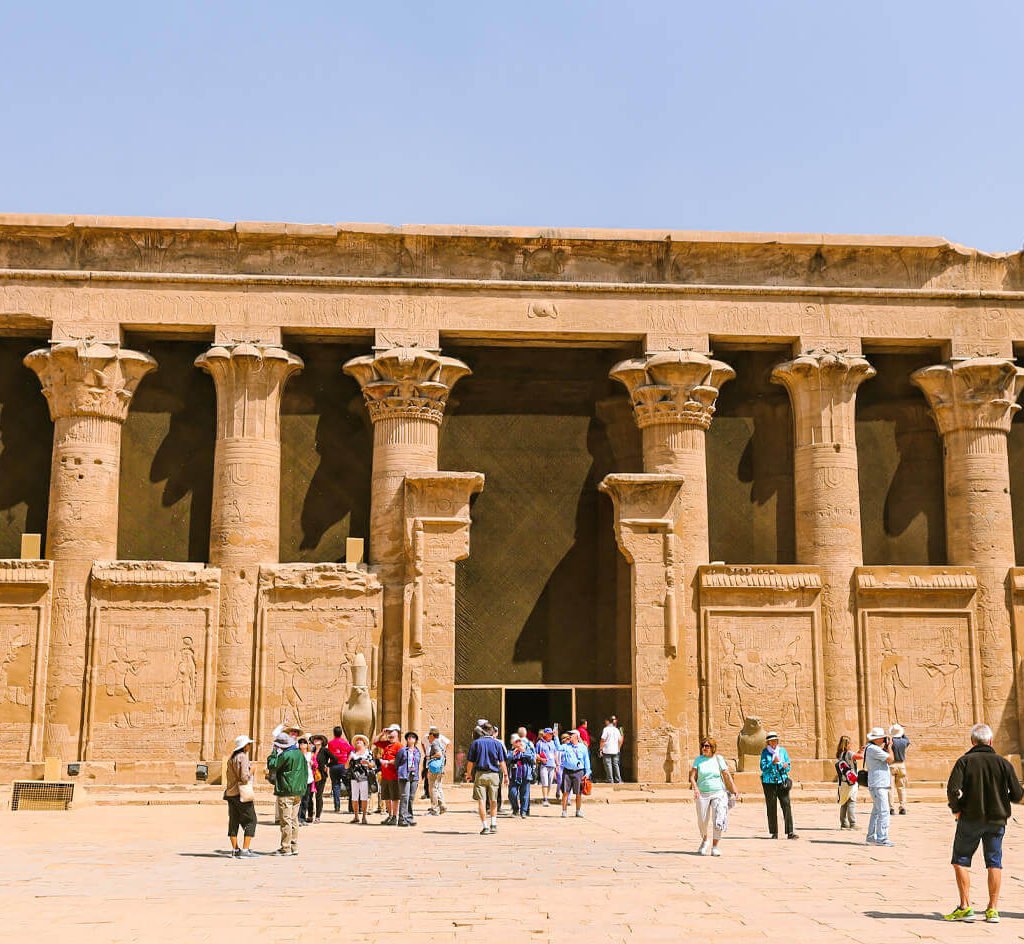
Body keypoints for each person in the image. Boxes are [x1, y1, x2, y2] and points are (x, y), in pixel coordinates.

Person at [943, 723, 1024, 923]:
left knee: (960, 860)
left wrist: (957, 809)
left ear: (973, 741)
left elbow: (953, 789)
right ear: (990, 741)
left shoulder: (965, 761)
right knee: (994, 862)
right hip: (997, 820)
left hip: (970, 818)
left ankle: (965, 906)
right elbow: (1017, 794)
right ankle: (993, 909)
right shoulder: (1004, 763)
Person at [688, 736, 738, 856]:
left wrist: (733, 788)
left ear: (712, 747)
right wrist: (695, 788)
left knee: (719, 818)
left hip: (718, 792)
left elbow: (726, 775)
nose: (704, 748)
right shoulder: (698, 760)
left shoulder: (719, 759)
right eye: (703, 746)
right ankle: (705, 840)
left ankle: (715, 846)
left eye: (707, 746)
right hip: (702, 793)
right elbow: (692, 777)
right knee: (702, 820)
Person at [266, 726, 307, 855]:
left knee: (286, 820)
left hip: (286, 790)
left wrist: (273, 753)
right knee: (294, 819)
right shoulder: (299, 753)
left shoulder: (286, 754)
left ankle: (285, 847)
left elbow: (272, 765)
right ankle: (294, 845)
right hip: (298, 790)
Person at [465, 721, 508, 835]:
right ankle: (493, 824)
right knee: (493, 800)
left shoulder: (476, 743)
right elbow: (502, 761)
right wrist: (506, 775)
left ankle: (485, 827)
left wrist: (468, 774)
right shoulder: (497, 743)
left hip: (480, 774)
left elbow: (470, 762)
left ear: (482, 731)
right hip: (494, 774)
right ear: (492, 731)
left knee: (481, 801)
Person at [224, 734, 257, 858]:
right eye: (249, 744)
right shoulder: (242, 757)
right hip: (240, 794)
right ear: (245, 746)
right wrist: (252, 771)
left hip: (230, 793)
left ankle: (235, 849)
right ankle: (245, 849)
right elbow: (244, 778)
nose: (250, 746)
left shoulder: (231, 758)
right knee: (251, 820)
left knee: (234, 821)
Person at [760, 731, 797, 840]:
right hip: (769, 783)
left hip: (782, 781)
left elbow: (788, 766)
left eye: (775, 741)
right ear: (768, 742)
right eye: (771, 741)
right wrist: (772, 763)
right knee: (771, 807)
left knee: (786, 805)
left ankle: (790, 831)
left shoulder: (782, 751)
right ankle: (774, 832)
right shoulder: (765, 752)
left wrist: (785, 766)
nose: (774, 743)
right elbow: (763, 768)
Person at [862, 726, 895, 846]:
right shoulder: (874, 750)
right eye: (881, 738)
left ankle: (871, 836)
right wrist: (890, 747)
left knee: (876, 811)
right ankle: (882, 838)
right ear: (876, 739)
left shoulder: (872, 748)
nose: (883, 740)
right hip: (878, 784)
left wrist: (885, 748)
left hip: (877, 783)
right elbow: (890, 759)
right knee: (884, 811)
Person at [558, 728, 592, 818]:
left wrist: (588, 772)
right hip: (567, 771)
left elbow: (586, 761)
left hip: (579, 772)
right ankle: (564, 811)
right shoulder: (566, 746)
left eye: (571, 734)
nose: (569, 735)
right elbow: (558, 747)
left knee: (578, 793)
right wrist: (555, 736)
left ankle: (578, 811)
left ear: (576, 736)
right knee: (565, 792)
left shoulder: (583, 748)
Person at [374, 724, 402, 825]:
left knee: (394, 797)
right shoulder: (386, 744)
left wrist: (388, 762)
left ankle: (395, 816)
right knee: (386, 796)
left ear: (397, 733)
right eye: (389, 733)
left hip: (394, 776)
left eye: (392, 732)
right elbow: (375, 741)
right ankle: (389, 815)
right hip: (385, 775)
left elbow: (400, 760)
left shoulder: (399, 746)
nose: (390, 735)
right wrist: (382, 733)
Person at [395, 731, 422, 827]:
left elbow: (418, 764)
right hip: (404, 775)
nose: (411, 739)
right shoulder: (402, 751)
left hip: (414, 776)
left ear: (415, 740)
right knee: (404, 797)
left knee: (411, 797)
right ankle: (402, 818)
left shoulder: (417, 752)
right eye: (409, 737)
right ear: (406, 739)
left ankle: (409, 817)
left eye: (413, 737)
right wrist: (400, 771)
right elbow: (397, 763)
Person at [346, 734, 375, 825]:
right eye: (357, 740)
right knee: (354, 797)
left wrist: (367, 763)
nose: (358, 741)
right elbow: (346, 766)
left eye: (360, 740)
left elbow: (373, 765)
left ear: (364, 743)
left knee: (364, 797)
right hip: (354, 777)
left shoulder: (368, 753)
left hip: (364, 777)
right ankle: (356, 816)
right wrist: (348, 759)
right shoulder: (352, 753)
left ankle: (364, 816)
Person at [507, 733, 536, 818]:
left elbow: (532, 758)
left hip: (525, 775)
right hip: (514, 775)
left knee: (525, 795)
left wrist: (524, 751)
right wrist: (513, 754)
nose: (519, 743)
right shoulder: (511, 751)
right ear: (513, 743)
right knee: (512, 793)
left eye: (519, 741)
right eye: (516, 741)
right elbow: (507, 759)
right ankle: (515, 809)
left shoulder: (527, 749)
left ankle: (523, 811)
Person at [326, 725, 353, 814]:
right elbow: (352, 750)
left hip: (333, 766)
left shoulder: (330, 743)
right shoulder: (344, 742)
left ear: (334, 733)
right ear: (341, 733)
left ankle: (337, 807)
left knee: (335, 786)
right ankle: (351, 806)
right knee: (349, 786)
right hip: (343, 765)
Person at [835, 735, 859, 830]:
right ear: (847, 744)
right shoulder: (849, 753)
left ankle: (844, 823)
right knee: (851, 801)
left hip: (843, 781)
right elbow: (858, 757)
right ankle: (852, 823)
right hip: (851, 781)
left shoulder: (840, 754)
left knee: (844, 802)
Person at [425, 726, 449, 815]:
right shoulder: (439, 742)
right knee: (438, 787)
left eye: (429, 735)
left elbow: (438, 754)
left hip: (435, 769)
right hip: (440, 768)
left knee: (432, 788)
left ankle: (434, 809)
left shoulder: (435, 743)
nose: (428, 738)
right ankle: (442, 806)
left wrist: (430, 757)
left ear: (432, 735)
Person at [535, 727, 560, 806]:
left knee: (549, 783)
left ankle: (547, 797)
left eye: (552, 734)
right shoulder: (540, 743)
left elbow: (555, 753)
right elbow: (536, 754)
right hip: (544, 765)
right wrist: (541, 759)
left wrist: (557, 764)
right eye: (550, 734)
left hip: (552, 765)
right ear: (545, 734)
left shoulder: (553, 743)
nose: (551, 735)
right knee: (545, 782)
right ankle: (545, 799)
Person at [889, 724, 910, 815]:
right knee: (901, 787)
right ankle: (902, 807)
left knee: (890, 788)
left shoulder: (891, 741)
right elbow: (907, 740)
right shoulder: (904, 741)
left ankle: (891, 807)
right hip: (901, 765)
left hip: (891, 765)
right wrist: (902, 731)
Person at [310, 734, 330, 823]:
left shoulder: (325, 750)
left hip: (321, 775)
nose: (316, 740)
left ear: (322, 741)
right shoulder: (312, 750)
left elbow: (335, 759)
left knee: (318, 796)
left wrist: (327, 766)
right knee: (309, 796)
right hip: (311, 775)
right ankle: (310, 815)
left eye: (318, 739)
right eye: (315, 739)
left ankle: (318, 816)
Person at [297, 737, 317, 824]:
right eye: (300, 743)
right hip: (299, 779)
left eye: (304, 743)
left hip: (308, 778)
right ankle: (298, 818)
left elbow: (316, 765)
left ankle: (303, 817)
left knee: (306, 799)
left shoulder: (310, 755)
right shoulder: (297, 754)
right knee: (299, 800)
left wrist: (313, 764)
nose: (302, 745)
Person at [600, 716, 624, 784]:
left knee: (608, 765)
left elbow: (603, 739)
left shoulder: (606, 729)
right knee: (616, 765)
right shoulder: (616, 729)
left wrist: (601, 749)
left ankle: (610, 780)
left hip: (607, 749)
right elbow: (620, 739)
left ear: (608, 721)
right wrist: (618, 748)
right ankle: (618, 779)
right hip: (615, 750)